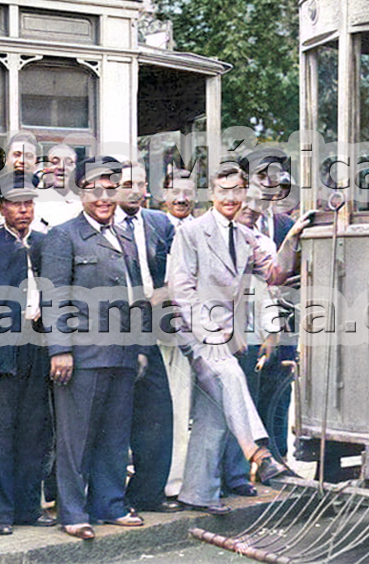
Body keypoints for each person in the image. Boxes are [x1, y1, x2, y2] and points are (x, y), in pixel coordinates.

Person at [168, 164, 313, 514]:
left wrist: (292, 238)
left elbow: (276, 275)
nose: (230, 198)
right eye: (223, 191)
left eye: (237, 191)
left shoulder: (244, 236)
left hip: (225, 337)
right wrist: (208, 335)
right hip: (194, 332)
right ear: (211, 194)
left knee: (215, 412)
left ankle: (198, 493)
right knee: (231, 377)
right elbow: (180, 290)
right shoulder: (191, 232)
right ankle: (259, 454)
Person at [40, 156, 148, 540]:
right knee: (75, 439)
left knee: (115, 436)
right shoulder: (63, 235)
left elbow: (134, 296)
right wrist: (59, 350)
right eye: (95, 190)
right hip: (82, 356)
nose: (104, 198)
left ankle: (110, 504)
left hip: (120, 353)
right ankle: (71, 512)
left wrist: (137, 348)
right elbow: (53, 297)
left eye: (111, 189)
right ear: (81, 192)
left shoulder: (124, 235)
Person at [0, 175, 55, 536]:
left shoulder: (46, 243)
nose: (24, 210)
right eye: (16, 204)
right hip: (1, 351)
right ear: (1, 207)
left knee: (34, 431)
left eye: (29, 203)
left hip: (37, 348)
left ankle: (28, 508)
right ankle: (0, 513)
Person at [115, 163, 182, 514]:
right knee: (114, 417)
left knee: (158, 412)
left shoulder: (159, 222)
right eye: (128, 184)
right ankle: (108, 498)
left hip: (151, 328)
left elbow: (181, 266)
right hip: (113, 326)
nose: (136, 190)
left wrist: (165, 290)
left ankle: (147, 493)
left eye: (141, 184)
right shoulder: (105, 224)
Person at [156, 168, 199, 501]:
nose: (182, 199)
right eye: (175, 192)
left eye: (188, 192)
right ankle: (157, 482)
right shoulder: (153, 228)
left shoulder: (201, 230)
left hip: (196, 331)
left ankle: (178, 483)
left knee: (187, 410)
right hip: (159, 332)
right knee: (163, 411)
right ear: (161, 195)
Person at [33, 143, 82, 230]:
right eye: (55, 162)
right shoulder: (32, 202)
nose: (61, 167)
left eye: (69, 163)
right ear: (45, 168)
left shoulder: (84, 202)